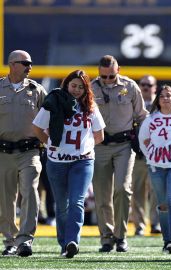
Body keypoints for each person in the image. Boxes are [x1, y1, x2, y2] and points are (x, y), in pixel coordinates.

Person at [32, 70, 105, 258]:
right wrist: (50, 145)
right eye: (74, 85)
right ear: (66, 85)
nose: (77, 90)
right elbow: (37, 128)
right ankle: (64, 243)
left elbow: (99, 135)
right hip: (57, 162)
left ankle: (73, 241)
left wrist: (85, 148)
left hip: (82, 161)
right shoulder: (54, 100)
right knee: (62, 204)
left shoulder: (90, 106)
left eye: (81, 87)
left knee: (77, 201)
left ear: (86, 88)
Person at [91, 55, 148, 252]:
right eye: (103, 77)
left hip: (124, 144)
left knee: (123, 189)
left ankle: (121, 235)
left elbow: (142, 116)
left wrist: (142, 141)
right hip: (99, 145)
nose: (107, 81)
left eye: (111, 76)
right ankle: (106, 237)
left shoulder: (130, 87)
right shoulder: (91, 87)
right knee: (101, 193)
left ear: (119, 70)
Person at [0, 50, 46, 257]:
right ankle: (9, 240)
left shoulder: (37, 90)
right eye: (25, 62)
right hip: (3, 151)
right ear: (12, 65)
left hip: (30, 151)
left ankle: (25, 240)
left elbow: (49, 117)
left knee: (31, 192)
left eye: (31, 63)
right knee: (5, 198)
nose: (30, 66)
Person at [139, 85, 171, 254]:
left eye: (168, 95)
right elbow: (143, 139)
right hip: (156, 166)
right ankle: (166, 240)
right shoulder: (151, 119)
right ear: (157, 100)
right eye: (162, 96)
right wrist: (153, 156)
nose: (165, 98)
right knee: (162, 203)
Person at [131, 75, 160, 236]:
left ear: (155, 87)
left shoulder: (162, 103)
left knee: (156, 191)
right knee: (137, 192)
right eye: (142, 85)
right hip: (139, 156)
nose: (146, 88)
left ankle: (155, 223)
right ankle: (139, 225)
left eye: (149, 85)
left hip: (157, 156)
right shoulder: (134, 104)